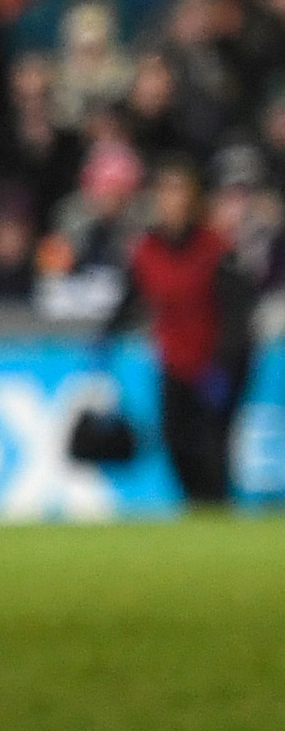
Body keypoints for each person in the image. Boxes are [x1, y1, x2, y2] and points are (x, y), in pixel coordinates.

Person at [113, 156, 254, 507]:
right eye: (163, 193)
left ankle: (216, 508)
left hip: (216, 360)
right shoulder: (148, 249)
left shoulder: (215, 250)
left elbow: (235, 314)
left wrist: (223, 365)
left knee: (212, 442)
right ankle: (196, 507)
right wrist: (104, 337)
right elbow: (132, 298)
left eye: (177, 193)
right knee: (175, 439)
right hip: (174, 359)